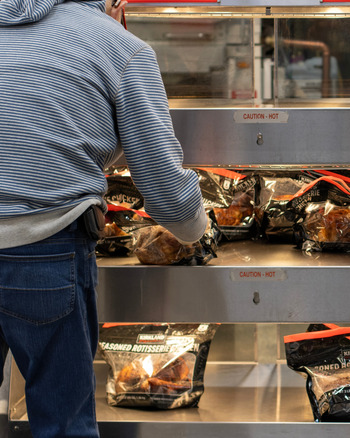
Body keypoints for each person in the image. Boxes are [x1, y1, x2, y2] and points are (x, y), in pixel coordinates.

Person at [0, 0, 207, 436]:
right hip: (45, 250)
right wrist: (197, 230)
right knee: (63, 424)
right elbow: (167, 193)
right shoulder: (116, 44)